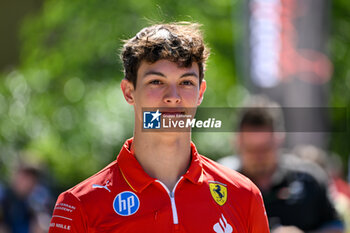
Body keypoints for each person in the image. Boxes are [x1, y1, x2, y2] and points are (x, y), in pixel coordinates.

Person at [48, 22, 269, 232]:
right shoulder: (79, 205)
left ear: (200, 93)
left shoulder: (244, 196)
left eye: (186, 83)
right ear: (129, 92)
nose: (173, 97)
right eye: (156, 82)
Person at [218, 96, 344, 233]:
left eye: (265, 148)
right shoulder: (221, 184)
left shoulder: (310, 179)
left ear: (279, 139)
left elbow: (336, 226)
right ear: (237, 143)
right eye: (251, 150)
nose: (259, 157)